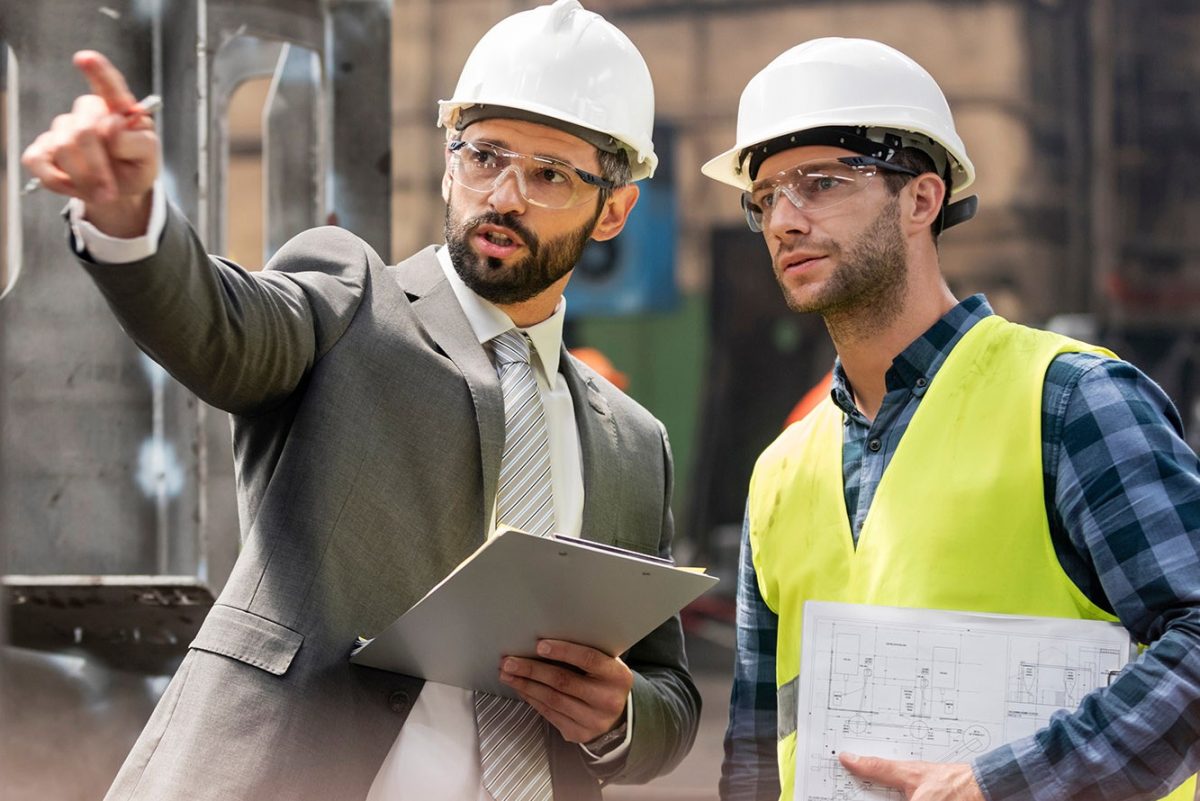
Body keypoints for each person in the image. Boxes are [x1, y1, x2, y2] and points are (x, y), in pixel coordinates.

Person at [20, 1, 700, 799]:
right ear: (448, 164)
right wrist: (130, 221)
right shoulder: (350, 305)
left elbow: (670, 692)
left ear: (613, 209)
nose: (504, 196)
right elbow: (217, 325)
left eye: (550, 173)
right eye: (484, 156)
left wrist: (621, 714)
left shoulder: (633, 443)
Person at [701, 37, 1200, 801]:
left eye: (820, 183)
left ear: (922, 199)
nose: (784, 221)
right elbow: (756, 749)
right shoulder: (779, 471)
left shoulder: (1070, 402)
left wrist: (1000, 785)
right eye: (765, 197)